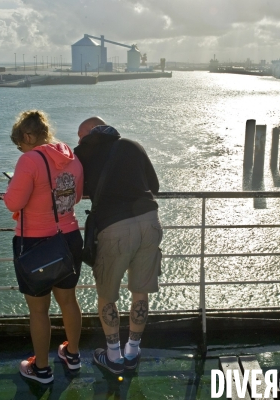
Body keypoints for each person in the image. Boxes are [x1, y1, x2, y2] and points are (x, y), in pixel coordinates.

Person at [74, 116, 162, 374]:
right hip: (150, 222)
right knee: (140, 291)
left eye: (81, 136)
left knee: (107, 295)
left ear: (90, 134)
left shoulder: (84, 152)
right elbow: (154, 186)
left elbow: (78, 192)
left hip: (115, 228)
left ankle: (113, 357)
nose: (79, 142)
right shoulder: (133, 145)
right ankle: (132, 351)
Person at [4, 110, 84, 384]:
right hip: (70, 238)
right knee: (69, 301)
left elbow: (13, 203)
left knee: (39, 310)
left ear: (27, 136)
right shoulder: (71, 157)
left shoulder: (29, 160)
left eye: (20, 144)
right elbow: (76, 196)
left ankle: (41, 369)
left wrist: (16, 184)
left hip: (37, 244)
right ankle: (72, 355)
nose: (20, 149)